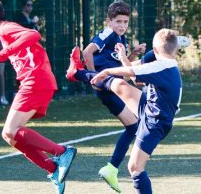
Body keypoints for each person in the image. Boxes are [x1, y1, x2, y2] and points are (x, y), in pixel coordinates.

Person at [0, 0, 76, 194]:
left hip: (35, 81)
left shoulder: (5, 28)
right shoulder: (4, 32)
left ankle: (62, 152)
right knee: (10, 136)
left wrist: (6, 52)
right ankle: (53, 169)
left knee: (11, 131)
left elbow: (33, 34)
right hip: (35, 83)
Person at [66, 28, 182, 194]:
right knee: (118, 85)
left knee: (134, 168)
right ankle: (77, 73)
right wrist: (122, 59)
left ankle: (79, 73)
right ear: (175, 50)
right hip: (150, 106)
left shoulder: (161, 67)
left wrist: (106, 70)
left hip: (155, 122)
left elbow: (130, 73)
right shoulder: (165, 65)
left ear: (155, 50)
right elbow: (135, 78)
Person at [76, 0, 146, 192]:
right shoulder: (107, 33)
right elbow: (87, 52)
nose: (122, 26)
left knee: (134, 126)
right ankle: (112, 168)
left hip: (111, 85)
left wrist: (132, 54)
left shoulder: (120, 39)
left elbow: (119, 68)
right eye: (118, 21)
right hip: (105, 84)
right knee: (138, 120)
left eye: (125, 22)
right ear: (109, 21)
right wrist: (94, 78)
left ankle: (111, 169)